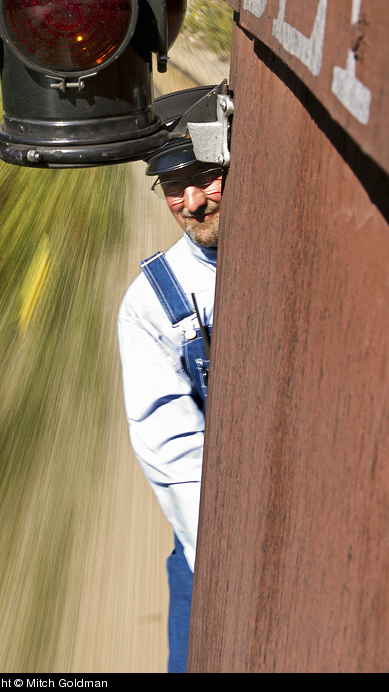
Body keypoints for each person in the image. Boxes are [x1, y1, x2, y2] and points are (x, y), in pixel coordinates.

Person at [117, 135, 222, 673]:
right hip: (210, 531)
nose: (193, 202)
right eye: (175, 187)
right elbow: (176, 454)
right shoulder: (151, 304)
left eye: (205, 177)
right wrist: (223, 569)